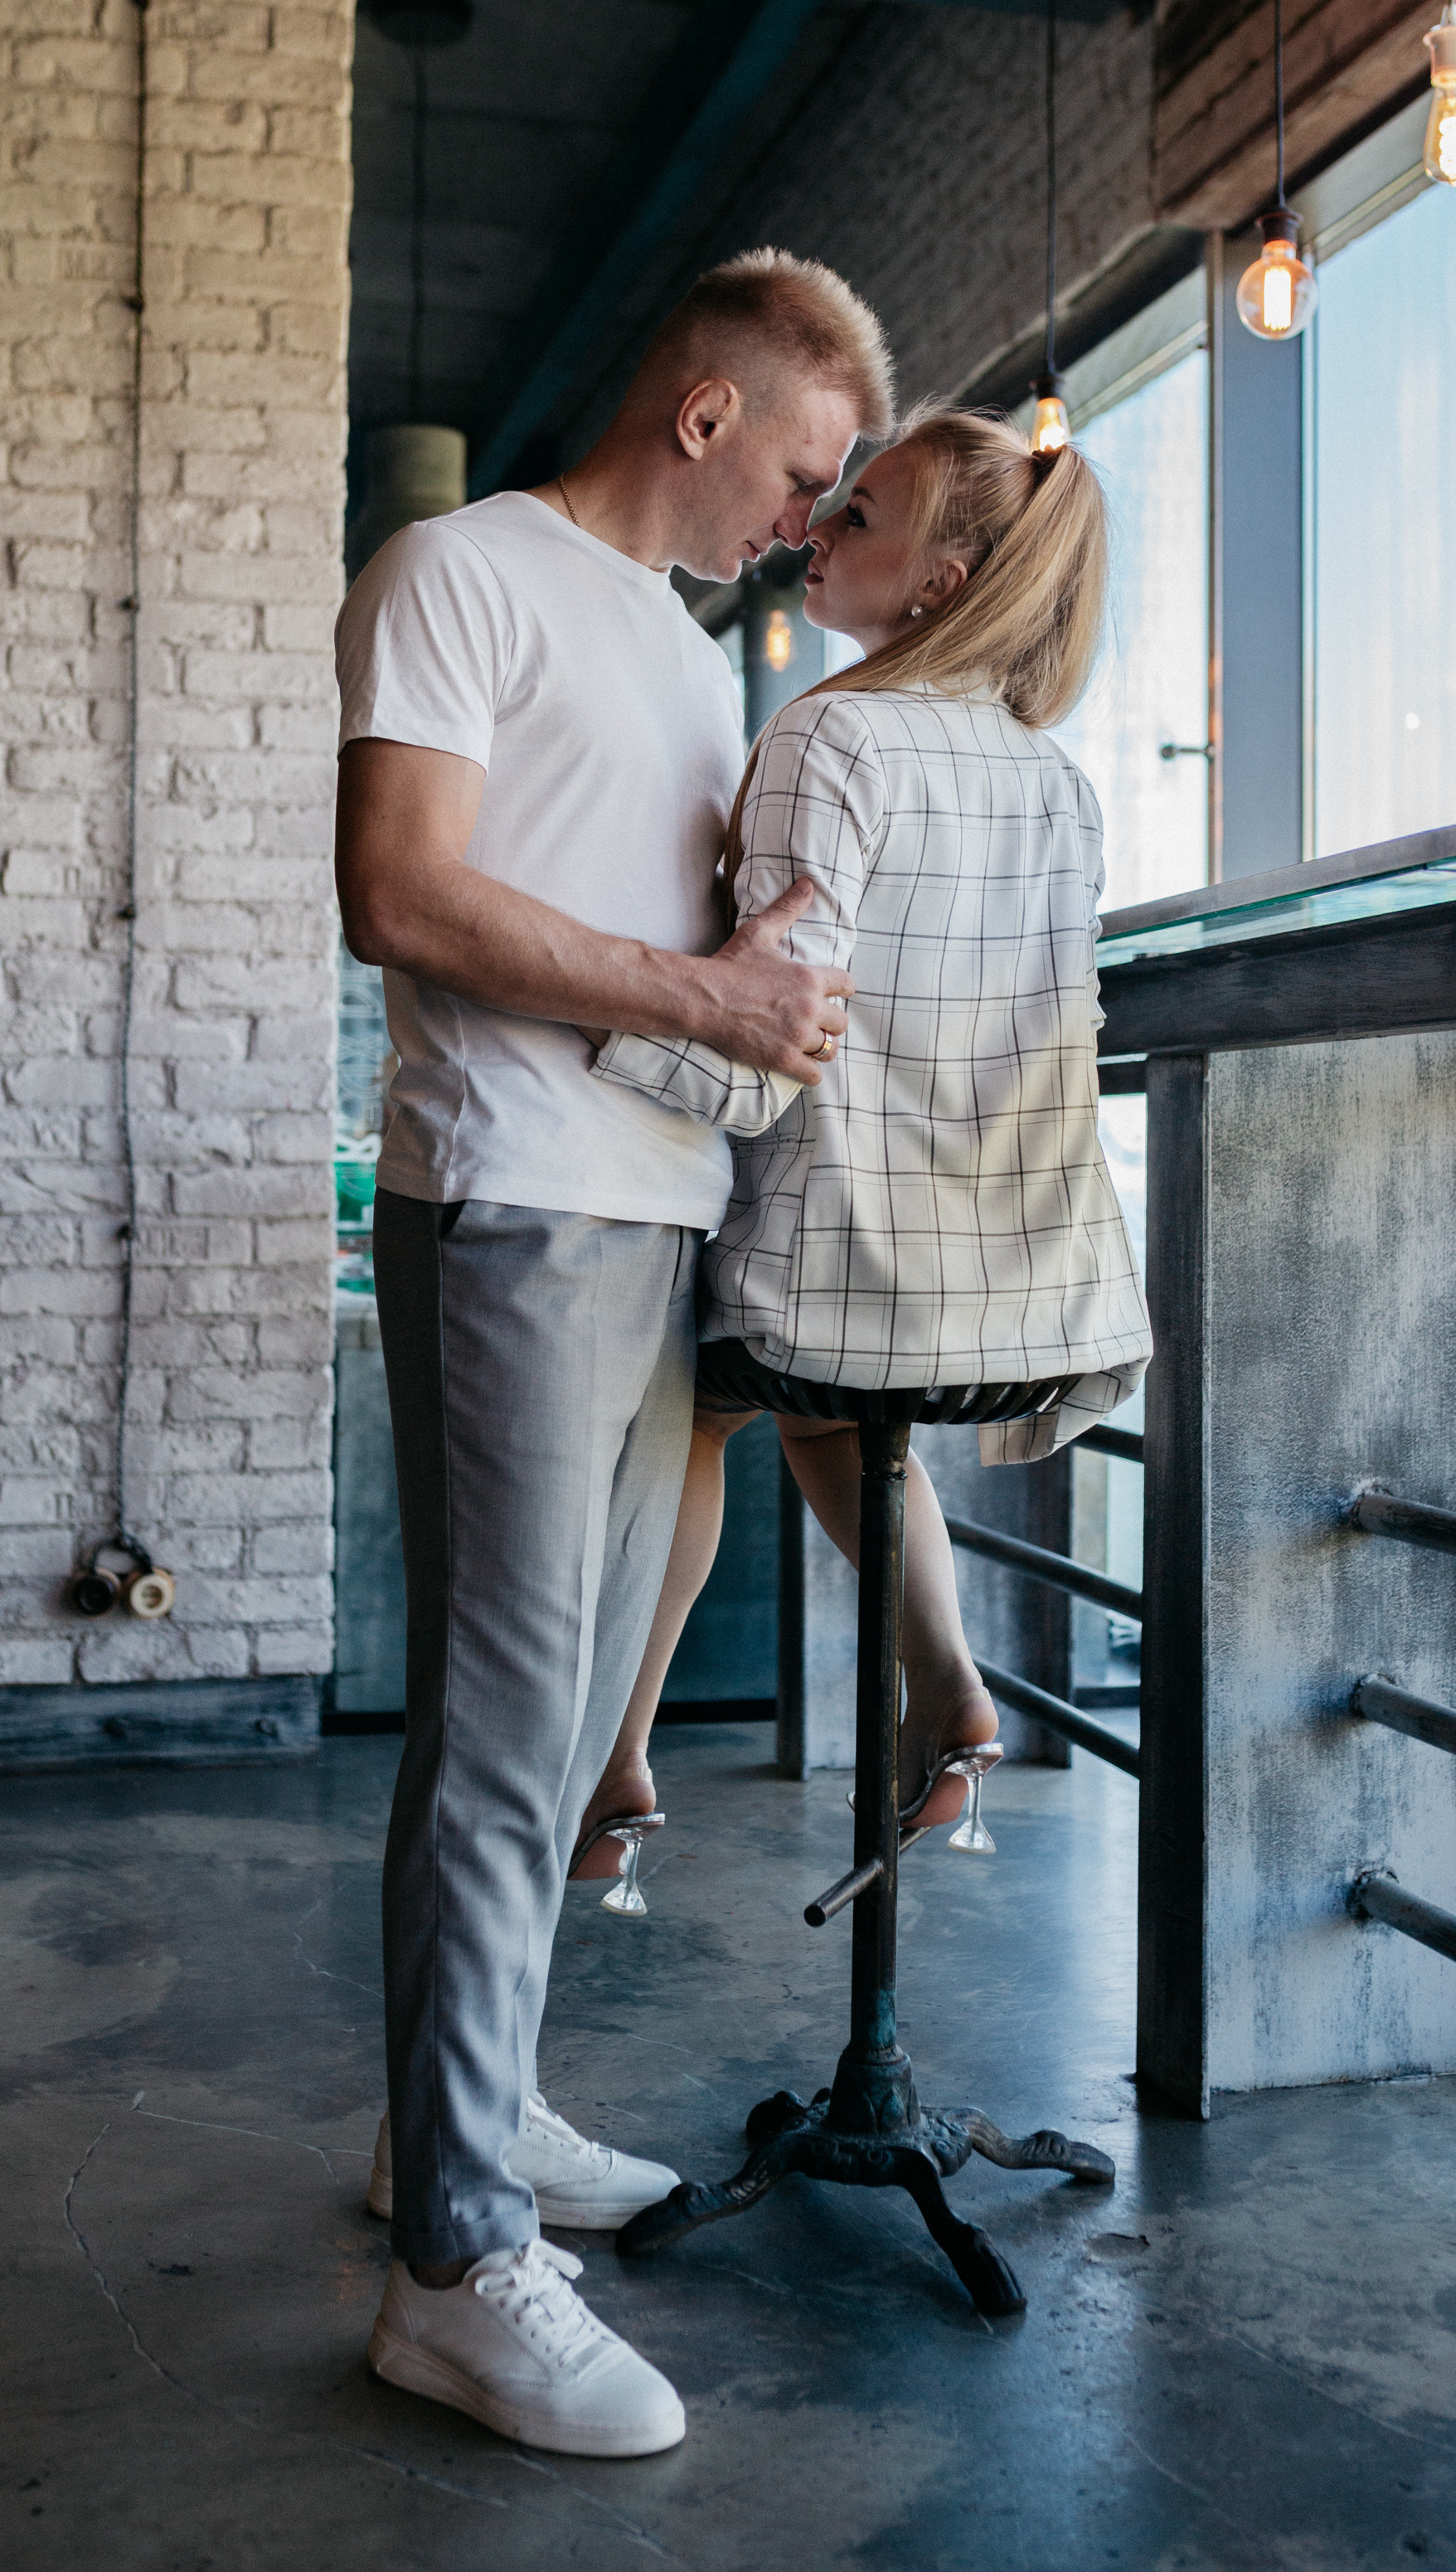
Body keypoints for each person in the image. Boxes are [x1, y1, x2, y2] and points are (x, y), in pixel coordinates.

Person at [332, 249, 893, 2461]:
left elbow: (692, 962)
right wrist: (710, 1001)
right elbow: (400, 888)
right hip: (510, 1200)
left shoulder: (678, 656)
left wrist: (771, 977)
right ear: (703, 410)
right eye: (806, 461)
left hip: (643, 1210)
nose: (808, 505)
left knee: (557, 1723)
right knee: (496, 1729)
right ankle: (454, 2267)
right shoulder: (455, 569)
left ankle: (442, 2131)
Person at [575, 406, 1152, 1873]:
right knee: (834, 1405)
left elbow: (777, 1040)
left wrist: (596, 1025)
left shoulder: (825, 734)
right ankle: (948, 1693)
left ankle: (619, 1761)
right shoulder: (1056, 779)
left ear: (940, 583)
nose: (816, 530)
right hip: (1027, 1294)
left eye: (859, 515)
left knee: (694, 1406)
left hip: (837, 1270)